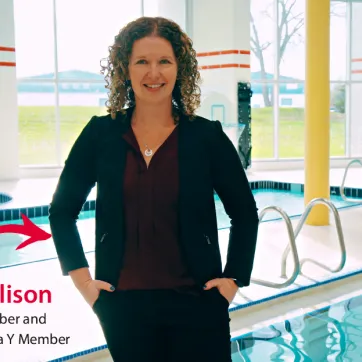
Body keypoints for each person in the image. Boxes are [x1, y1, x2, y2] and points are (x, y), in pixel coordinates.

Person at [49, 16, 259, 362]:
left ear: (180, 69)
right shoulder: (101, 135)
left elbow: (244, 213)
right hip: (123, 308)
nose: (154, 74)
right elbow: (61, 212)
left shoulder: (206, 137)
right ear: (125, 69)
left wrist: (233, 280)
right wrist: (85, 285)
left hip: (199, 304)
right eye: (142, 62)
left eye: (164, 61)